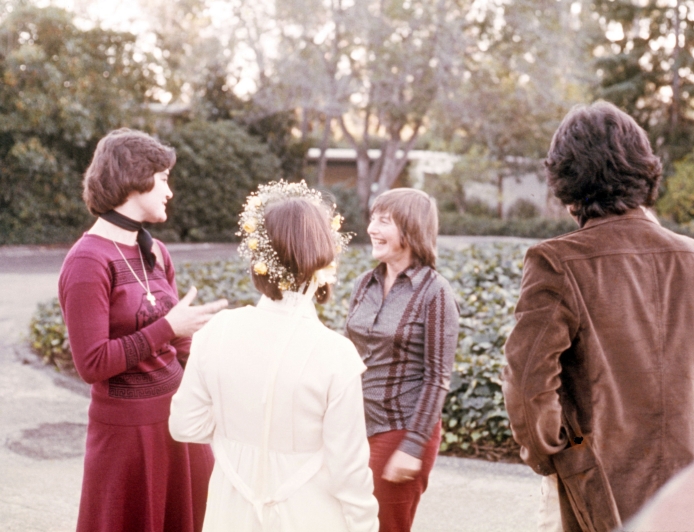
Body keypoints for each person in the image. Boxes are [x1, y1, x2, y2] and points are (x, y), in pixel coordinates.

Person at [501, 102, 694, 531]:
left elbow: (526, 382)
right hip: (683, 489)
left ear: (565, 179)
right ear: (643, 170)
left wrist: (553, 455)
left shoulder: (556, 261)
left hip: (597, 491)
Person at [169, 181, 379, 532]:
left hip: (231, 511)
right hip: (309, 514)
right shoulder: (335, 354)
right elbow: (349, 469)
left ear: (259, 259)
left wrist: (236, 432)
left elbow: (184, 425)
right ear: (324, 260)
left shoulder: (217, 331)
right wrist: (366, 525)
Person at [58, 128, 228, 532]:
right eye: (164, 179)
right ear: (135, 178)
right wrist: (168, 328)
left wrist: (217, 379)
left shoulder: (156, 251)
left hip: (179, 424)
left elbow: (181, 344)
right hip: (127, 438)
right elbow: (92, 364)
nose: (170, 191)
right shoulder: (87, 261)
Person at [344, 188, 459, 532]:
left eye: (384, 221)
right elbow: (349, 355)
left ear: (410, 229)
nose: (371, 229)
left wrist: (413, 445)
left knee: (386, 526)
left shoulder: (435, 292)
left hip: (400, 429)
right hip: (354, 427)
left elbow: (437, 377)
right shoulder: (364, 284)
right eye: (372, 219)